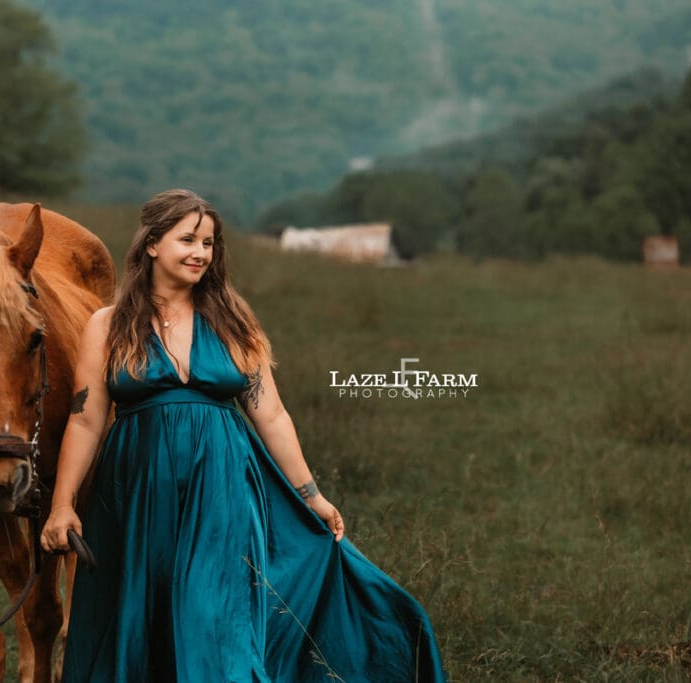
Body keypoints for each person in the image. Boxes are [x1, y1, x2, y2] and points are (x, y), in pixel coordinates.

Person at [40, 189, 446, 682]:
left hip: (222, 487)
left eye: (208, 243)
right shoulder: (107, 325)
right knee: (137, 618)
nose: (200, 253)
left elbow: (270, 413)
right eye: (186, 239)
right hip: (135, 493)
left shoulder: (232, 319)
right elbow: (85, 419)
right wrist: (63, 505)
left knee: (211, 612)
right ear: (150, 244)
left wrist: (310, 494)